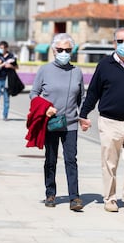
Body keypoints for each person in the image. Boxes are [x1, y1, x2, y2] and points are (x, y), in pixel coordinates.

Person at [79, 27, 124, 216]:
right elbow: (93, 92)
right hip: (109, 121)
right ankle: (110, 198)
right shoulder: (104, 65)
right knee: (109, 163)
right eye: (120, 41)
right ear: (114, 43)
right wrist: (84, 114)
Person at [29, 33, 85, 212]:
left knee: (71, 160)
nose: (64, 53)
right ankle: (50, 193)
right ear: (53, 50)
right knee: (51, 159)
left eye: (68, 50)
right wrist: (45, 109)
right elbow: (33, 94)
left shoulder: (77, 72)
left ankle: (74, 197)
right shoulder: (44, 70)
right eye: (60, 50)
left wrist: (82, 117)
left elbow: (81, 98)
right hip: (51, 123)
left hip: (70, 124)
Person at [0, 41, 18, 120]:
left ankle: (5, 115)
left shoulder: (11, 56)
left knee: (6, 98)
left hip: (7, 80)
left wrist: (11, 66)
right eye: (0, 48)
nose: (1, 49)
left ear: (6, 48)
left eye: (2, 48)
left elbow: (16, 67)